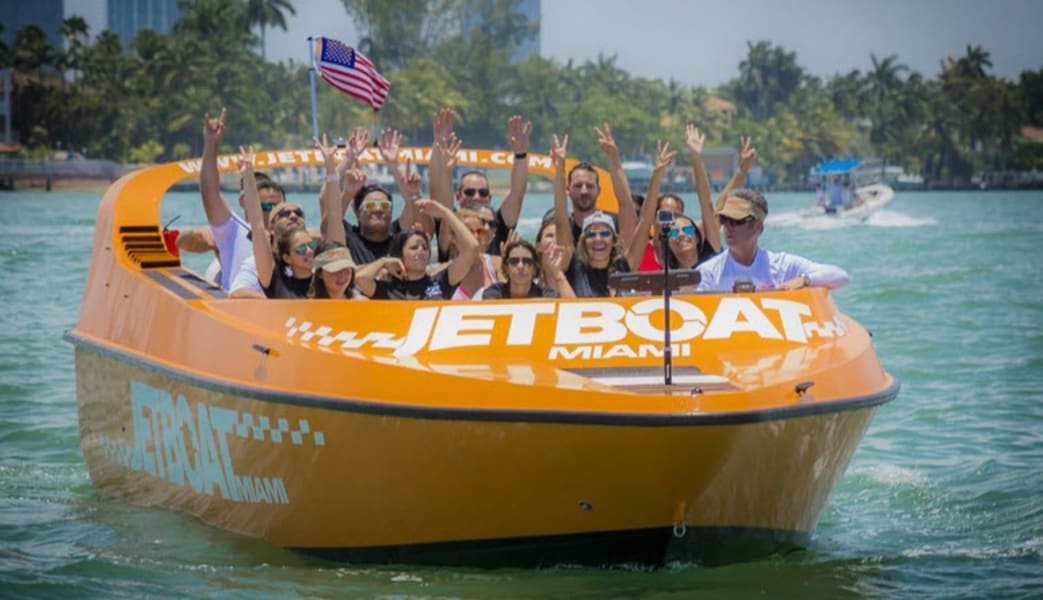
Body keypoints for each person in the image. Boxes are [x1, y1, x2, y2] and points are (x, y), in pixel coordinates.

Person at [696, 189, 849, 292]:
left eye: (736, 221)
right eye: (724, 220)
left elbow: (840, 276)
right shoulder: (708, 272)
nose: (727, 227)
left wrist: (805, 280)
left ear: (757, 227)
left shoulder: (783, 265)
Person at [430, 111, 532, 255]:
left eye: (483, 192)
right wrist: (439, 144)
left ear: (489, 198)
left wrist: (520, 154)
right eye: (470, 192)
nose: (476, 197)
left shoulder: (496, 224)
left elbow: (517, 192)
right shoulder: (449, 223)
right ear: (458, 197)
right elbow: (436, 189)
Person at [550, 133, 634, 297]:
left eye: (589, 186)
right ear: (568, 190)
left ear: (599, 190)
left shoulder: (613, 225)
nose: (584, 191)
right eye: (578, 185)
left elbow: (627, 206)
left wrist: (614, 160)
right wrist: (560, 168)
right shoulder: (566, 228)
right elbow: (560, 218)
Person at [354, 200, 479, 300]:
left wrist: (445, 213)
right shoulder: (388, 289)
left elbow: (472, 248)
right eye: (414, 248)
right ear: (399, 255)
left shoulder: (441, 281)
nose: (421, 251)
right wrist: (383, 262)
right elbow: (360, 279)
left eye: (425, 247)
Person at [476, 239, 574, 299]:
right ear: (506, 268)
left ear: (535, 269)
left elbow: (574, 310)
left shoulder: (546, 294)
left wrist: (557, 273)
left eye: (527, 261)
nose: (520, 266)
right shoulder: (495, 292)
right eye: (514, 261)